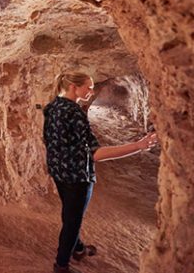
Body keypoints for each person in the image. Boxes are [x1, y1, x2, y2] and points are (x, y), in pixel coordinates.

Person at [43, 71, 158, 273]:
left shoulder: (52, 107)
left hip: (58, 171)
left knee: (69, 212)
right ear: (73, 87)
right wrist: (138, 146)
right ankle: (61, 265)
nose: (91, 91)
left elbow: (49, 141)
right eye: (87, 87)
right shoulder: (75, 113)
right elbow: (96, 154)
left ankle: (78, 248)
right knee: (73, 219)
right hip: (77, 176)